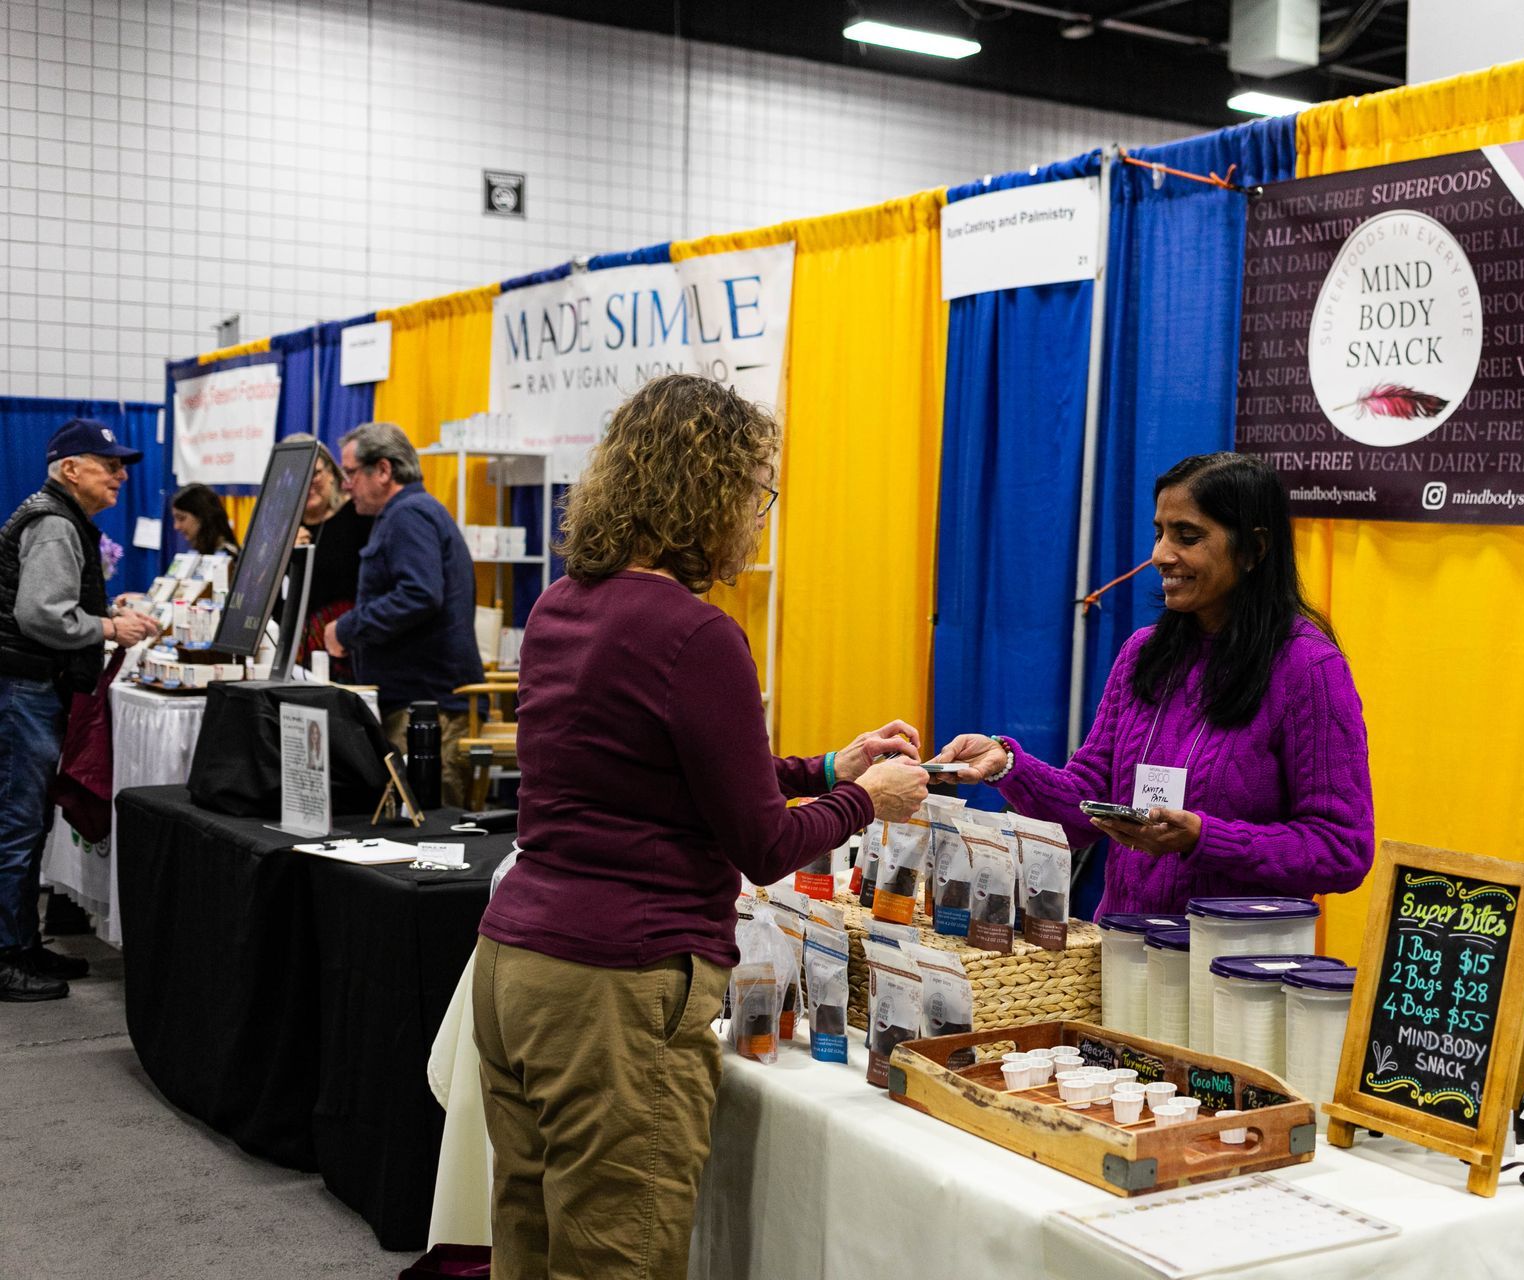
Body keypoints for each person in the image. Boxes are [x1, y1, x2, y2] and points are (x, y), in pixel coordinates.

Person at [474, 374, 928, 1278]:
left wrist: (829, 768)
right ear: (710, 490)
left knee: (528, 1245)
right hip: (618, 988)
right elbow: (762, 844)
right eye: (759, 490)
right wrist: (866, 801)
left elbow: (665, 774)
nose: (761, 516)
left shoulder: (564, 604)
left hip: (517, 966)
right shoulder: (697, 634)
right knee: (619, 1260)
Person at [932, 452, 1374, 918]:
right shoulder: (1143, 654)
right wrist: (1008, 766)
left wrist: (1206, 839)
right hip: (1125, 952)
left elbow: (1342, 849)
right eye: (1159, 532)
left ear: (1253, 550)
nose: (1160, 555)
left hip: (1234, 970)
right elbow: (1084, 810)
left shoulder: (1309, 668)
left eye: (1188, 536)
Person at [0, 418, 160, 1001]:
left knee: (26, 823)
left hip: (30, 687)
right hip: (25, 690)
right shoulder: (52, 523)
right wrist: (111, 627)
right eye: (109, 463)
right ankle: (6, 956)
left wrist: (103, 609)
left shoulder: (58, 518)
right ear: (71, 469)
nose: (121, 475)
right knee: (16, 827)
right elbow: (41, 613)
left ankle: (22, 942)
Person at [323, 422, 483, 804]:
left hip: (429, 710)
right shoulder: (406, 513)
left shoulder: (409, 515)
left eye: (350, 473)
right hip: (421, 702)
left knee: (433, 833)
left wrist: (347, 629)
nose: (346, 485)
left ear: (383, 470)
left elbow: (419, 594)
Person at [282, 434, 374, 676]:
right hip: (291, 652)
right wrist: (283, 556)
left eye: (315, 473)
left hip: (345, 649)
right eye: (297, 477)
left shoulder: (358, 516)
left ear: (332, 473)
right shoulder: (280, 528)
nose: (307, 483)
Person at [168, 482, 241, 556]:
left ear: (202, 517)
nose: (176, 526)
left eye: (181, 518)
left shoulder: (229, 557)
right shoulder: (202, 553)